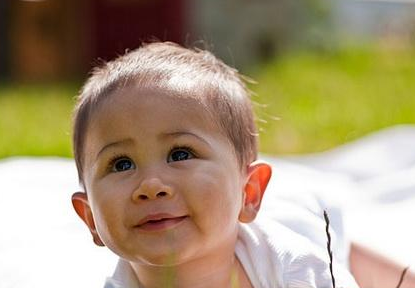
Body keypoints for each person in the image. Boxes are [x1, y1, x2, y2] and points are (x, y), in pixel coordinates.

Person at [70, 41, 359, 288]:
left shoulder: (298, 267)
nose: (150, 185)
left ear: (250, 192)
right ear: (90, 218)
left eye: (180, 154)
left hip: (310, 221)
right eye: (121, 164)